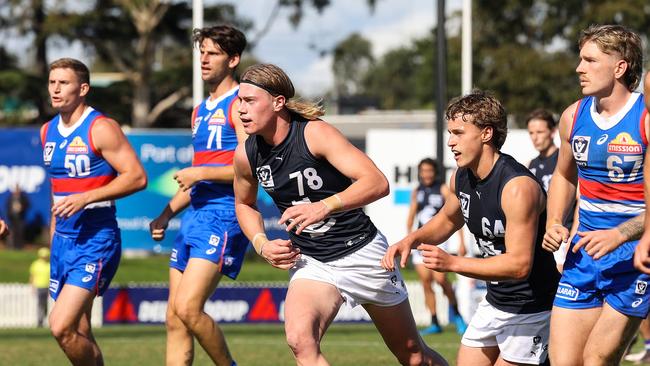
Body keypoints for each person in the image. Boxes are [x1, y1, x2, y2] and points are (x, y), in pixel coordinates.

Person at [233, 63, 447, 366]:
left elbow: (377, 182)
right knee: (300, 339)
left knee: (413, 356)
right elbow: (244, 204)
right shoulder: (247, 154)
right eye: (239, 101)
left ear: (278, 102)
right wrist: (261, 243)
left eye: (250, 101)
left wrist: (324, 206)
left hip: (363, 254)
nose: (241, 110)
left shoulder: (314, 134)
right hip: (313, 262)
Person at [383, 90, 560, 366]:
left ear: (486, 134)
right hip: (495, 301)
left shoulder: (517, 188)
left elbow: (518, 265)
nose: (451, 142)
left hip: (532, 308)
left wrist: (452, 262)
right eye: (450, 133)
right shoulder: (461, 177)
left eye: (458, 133)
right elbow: (447, 220)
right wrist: (411, 240)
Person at [543, 24, 649, 366]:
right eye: (580, 59)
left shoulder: (645, 118)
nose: (579, 68)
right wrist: (555, 220)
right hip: (583, 254)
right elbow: (563, 174)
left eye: (589, 60)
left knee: (597, 360)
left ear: (620, 67)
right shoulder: (572, 117)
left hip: (634, 257)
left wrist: (620, 234)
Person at [149, 25, 249, 366]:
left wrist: (201, 172)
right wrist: (166, 213)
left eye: (213, 53)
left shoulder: (240, 105)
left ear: (233, 59)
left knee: (189, 308)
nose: (204, 59)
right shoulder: (200, 110)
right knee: (174, 319)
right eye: (202, 52)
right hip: (195, 217)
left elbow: (252, 170)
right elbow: (197, 181)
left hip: (224, 216)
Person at [41, 58, 147, 365]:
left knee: (61, 326)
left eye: (64, 82)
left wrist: (86, 197)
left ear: (83, 88)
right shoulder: (47, 131)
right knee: (80, 329)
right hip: (63, 241)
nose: (55, 88)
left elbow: (137, 177)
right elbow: (57, 192)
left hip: (95, 239)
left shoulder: (101, 128)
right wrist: (53, 240)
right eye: (52, 82)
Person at [406, 157, 467, 335]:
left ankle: (457, 315)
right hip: (421, 241)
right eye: (423, 171)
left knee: (441, 280)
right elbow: (411, 216)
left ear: (435, 172)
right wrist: (409, 238)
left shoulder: (442, 189)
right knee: (426, 282)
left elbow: (455, 216)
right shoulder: (417, 191)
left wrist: (461, 242)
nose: (426, 174)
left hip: (440, 239)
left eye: (429, 170)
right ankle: (434, 322)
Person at [526, 109, 578, 272]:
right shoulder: (530, 165)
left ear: (553, 132)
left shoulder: (564, 161)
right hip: (542, 238)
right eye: (531, 133)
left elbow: (581, 201)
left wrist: (573, 237)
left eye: (540, 132)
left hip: (562, 235)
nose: (535, 137)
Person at [29, 247, 50, 327]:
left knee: (45, 305)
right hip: (38, 287)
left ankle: (43, 317)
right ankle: (39, 321)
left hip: (47, 287)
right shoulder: (35, 264)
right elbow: (32, 276)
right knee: (40, 304)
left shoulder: (49, 265)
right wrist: (32, 287)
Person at [6, 184, 29, 249]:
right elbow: (7, 206)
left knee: (20, 232)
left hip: (20, 218)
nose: (16, 191)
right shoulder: (11, 197)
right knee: (12, 232)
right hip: (12, 218)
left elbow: (27, 205)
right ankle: (11, 246)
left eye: (17, 189)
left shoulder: (23, 198)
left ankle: (19, 246)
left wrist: (22, 208)